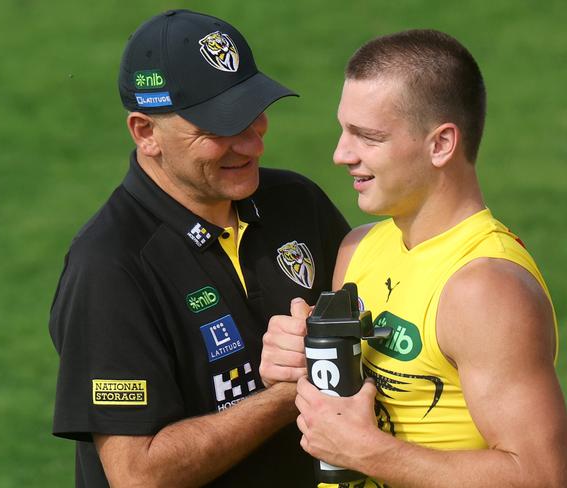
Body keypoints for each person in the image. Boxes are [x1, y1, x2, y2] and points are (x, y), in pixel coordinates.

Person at [49, 9, 350, 487]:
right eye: (219, 128)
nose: (252, 145)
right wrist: (293, 389)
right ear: (146, 133)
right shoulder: (109, 266)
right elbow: (138, 474)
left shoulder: (297, 203)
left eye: (253, 115)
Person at [260, 30, 567, 487]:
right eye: (343, 129)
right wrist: (294, 362)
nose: (340, 154)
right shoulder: (357, 249)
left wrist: (369, 452)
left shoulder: (485, 288)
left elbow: (543, 478)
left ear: (441, 144)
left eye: (368, 137)